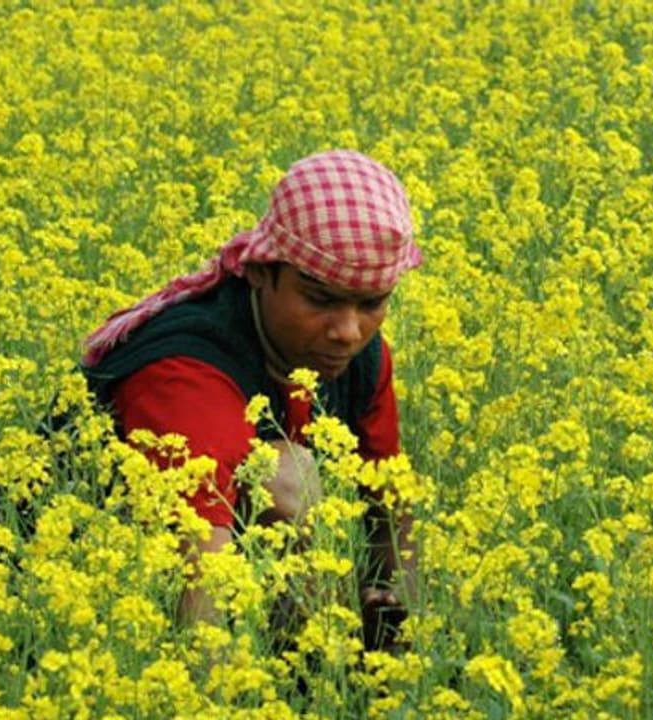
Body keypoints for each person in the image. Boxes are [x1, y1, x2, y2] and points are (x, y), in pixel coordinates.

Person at [79, 150, 421, 647]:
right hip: (103, 590)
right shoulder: (187, 372)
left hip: (225, 574)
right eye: (320, 300)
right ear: (260, 270)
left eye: (372, 304)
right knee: (286, 479)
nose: (348, 331)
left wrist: (406, 623)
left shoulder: (358, 357)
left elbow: (391, 500)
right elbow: (200, 575)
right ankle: (303, 671)